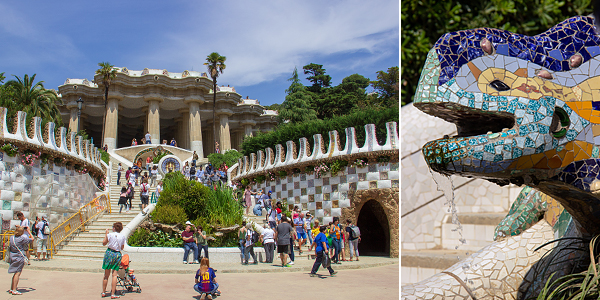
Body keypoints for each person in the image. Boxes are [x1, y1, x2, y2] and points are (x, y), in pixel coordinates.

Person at [101, 222, 126, 299]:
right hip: (117, 254)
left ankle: (104, 292)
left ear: (114, 228)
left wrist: (106, 234)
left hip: (109, 253)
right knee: (114, 275)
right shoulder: (122, 236)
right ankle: (112, 294)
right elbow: (122, 248)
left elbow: (104, 243)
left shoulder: (110, 235)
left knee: (106, 275)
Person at [8, 225, 33, 295]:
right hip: (19, 257)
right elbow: (32, 239)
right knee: (17, 273)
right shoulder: (22, 238)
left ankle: (12, 288)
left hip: (13, 256)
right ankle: (14, 290)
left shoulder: (12, 238)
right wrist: (28, 231)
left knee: (15, 273)